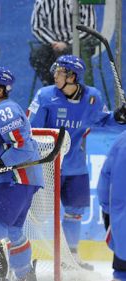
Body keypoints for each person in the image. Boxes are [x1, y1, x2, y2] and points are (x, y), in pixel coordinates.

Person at [28, 54, 126, 271]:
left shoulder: (92, 97)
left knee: (75, 211)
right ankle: (26, 257)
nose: (55, 75)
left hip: (75, 166)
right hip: (47, 166)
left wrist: (119, 117)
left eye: (60, 72)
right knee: (36, 214)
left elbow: (102, 121)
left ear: (73, 77)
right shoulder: (45, 96)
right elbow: (31, 131)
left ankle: (69, 259)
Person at [0, 67, 43, 281]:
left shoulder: (6, 111)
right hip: (20, 178)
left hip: (17, 178)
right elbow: (2, 149)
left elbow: (23, 148)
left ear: (0, 88)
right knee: (13, 230)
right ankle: (25, 275)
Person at [30, 0, 97, 86]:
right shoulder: (42, 2)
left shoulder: (83, 2)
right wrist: (53, 43)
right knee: (37, 55)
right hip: (52, 45)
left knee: (67, 57)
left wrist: (68, 44)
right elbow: (37, 27)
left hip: (79, 44)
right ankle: (53, 87)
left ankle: (69, 87)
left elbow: (89, 28)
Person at [97, 130, 126, 281]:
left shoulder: (120, 141)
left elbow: (104, 179)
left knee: (121, 272)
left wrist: (107, 210)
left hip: (122, 222)